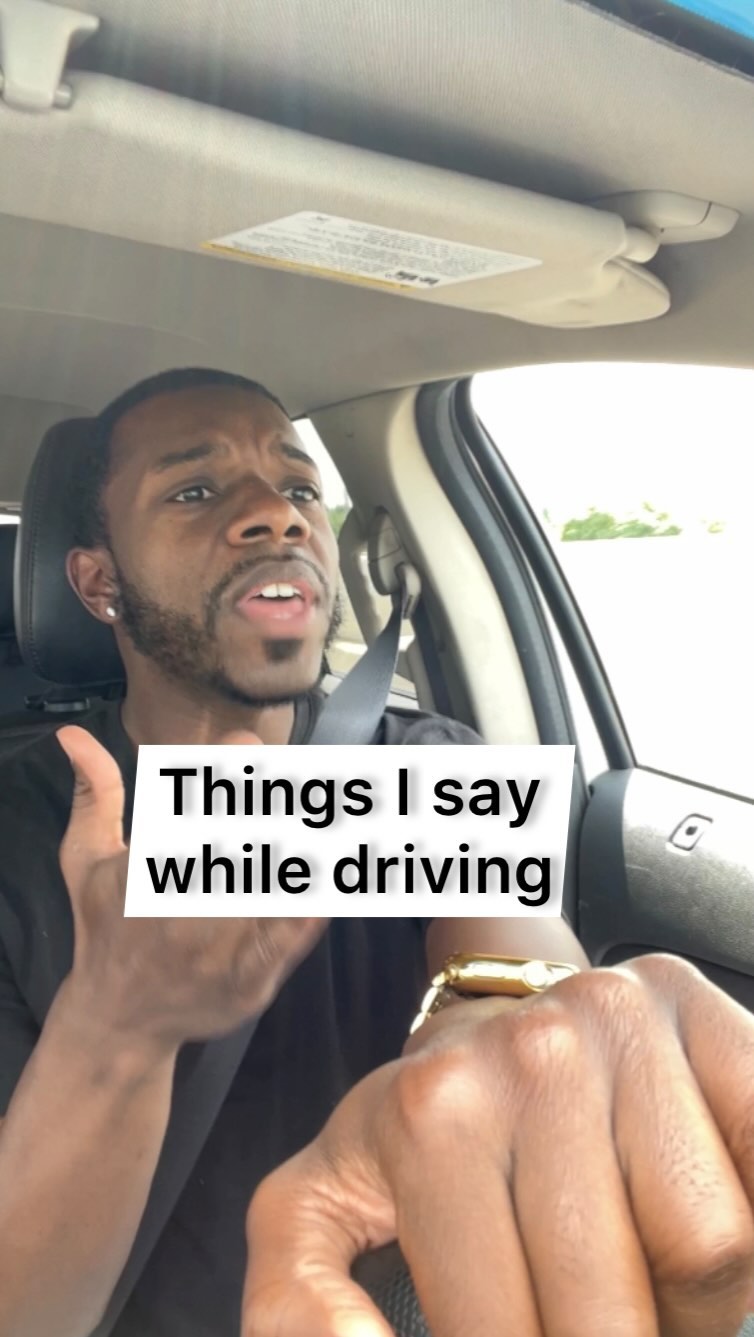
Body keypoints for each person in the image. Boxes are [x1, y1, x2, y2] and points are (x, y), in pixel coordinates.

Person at [0, 367, 751, 1337]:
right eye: (195, 489)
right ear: (100, 582)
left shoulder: (422, 764)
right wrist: (119, 1023)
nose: (277, 514)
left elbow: (509, 967)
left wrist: (518, 1047)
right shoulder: (17, 827)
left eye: (300, 487)